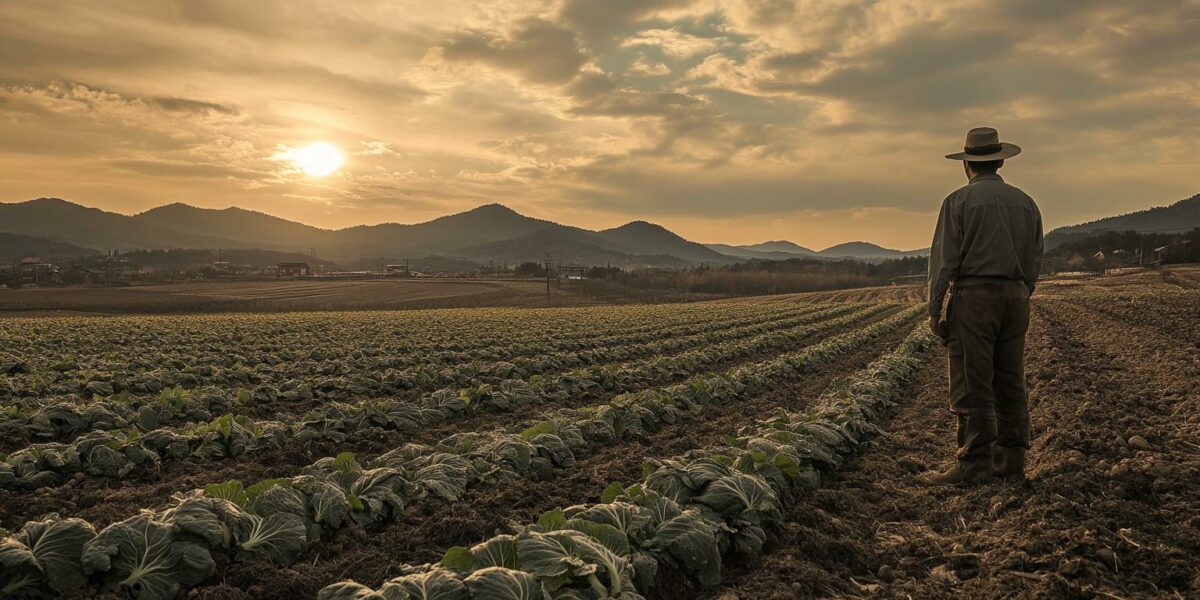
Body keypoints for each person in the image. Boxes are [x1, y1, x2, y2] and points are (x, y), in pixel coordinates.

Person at [925, 126, 1043, 485]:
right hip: (1016, 297)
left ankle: (974, 463)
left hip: (975, 298)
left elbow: (945, 260)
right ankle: (1012, 462)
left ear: (967, 165)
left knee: (972, 381)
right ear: (1000, 161)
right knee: (1010, 379)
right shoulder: (1026, 202)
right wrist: (1021, 293)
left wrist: (935, 308)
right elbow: (1035, 258)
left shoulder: (957, 202)